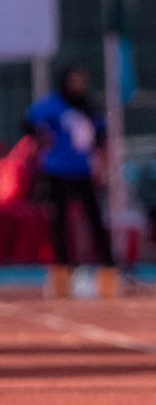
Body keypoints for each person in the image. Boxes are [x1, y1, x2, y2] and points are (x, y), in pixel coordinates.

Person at [28, 63, 113, 275]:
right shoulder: (52, 105)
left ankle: (109, 262)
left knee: (94, 217)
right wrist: (42, 139)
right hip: (58, 170)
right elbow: (30, 122)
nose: (79, 85)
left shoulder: (89, 106)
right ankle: (64, 264)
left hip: (83, 169)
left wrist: (102, 165)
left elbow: (101, 136)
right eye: (74, 80)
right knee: (60, 220)